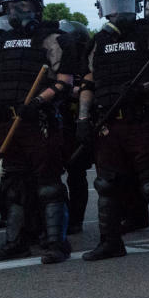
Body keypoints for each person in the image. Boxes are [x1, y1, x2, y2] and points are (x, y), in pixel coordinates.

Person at [0, 0, 76, 264]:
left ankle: (55, 243)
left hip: (38, 121)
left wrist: (39, 101)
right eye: (12, 8)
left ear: (36, 7)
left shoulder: (53, 38)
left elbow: (64, 82)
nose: (18, 12)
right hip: (7, 124)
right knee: (14, 185)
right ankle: (16, 241)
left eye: (24, 5)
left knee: (48, 184)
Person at [76, 0, 149, 261]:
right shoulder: (97, 42)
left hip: (140, 122)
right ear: (104, 9)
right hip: (108, 126)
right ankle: (110, 242)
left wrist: (142, 89)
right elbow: (88, 82)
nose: (120, 10)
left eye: (125, 4)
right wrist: (83, 119)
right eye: (114, 5)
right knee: (106, 184)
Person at [58, 19, 92, 236]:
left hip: (77, 123)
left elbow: (88, 88)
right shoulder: (59, 61)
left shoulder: (85, 63)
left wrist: (70, 90)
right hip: (57, 123)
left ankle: (76, 220)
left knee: (76, 174)